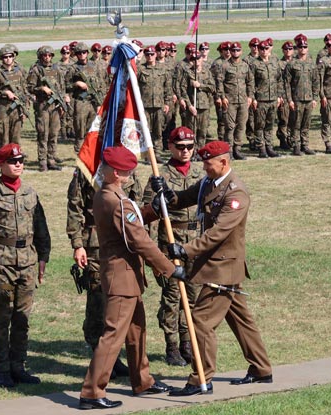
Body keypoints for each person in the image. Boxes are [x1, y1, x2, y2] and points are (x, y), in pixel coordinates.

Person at [150, 140, 274, 397]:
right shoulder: (209, 183)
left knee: (201, 322)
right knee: (240, 318)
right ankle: (261, 368)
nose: (204, 168)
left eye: (208, 163)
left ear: (224, 162)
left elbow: (219, 233)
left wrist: (185, 250)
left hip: (223, 267)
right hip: (214, 265)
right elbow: (183, 198)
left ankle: (200, 379)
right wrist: (166, 194)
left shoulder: (236, 193)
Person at [78, 146, 180, 410]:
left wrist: (155, 209)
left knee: (137, 332)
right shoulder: (115, 200)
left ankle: (142, 380)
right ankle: (92, 391)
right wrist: (169, 267)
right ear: (113, 172)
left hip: (126, 276)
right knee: (113, 337)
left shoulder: (109, 194)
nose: (128, 175)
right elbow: (139, 240)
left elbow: (131, 220)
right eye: (125, 172)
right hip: (121, 277)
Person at [0, 143, 50, 388]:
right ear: (0, 164)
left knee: (22, 318)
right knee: (2, 318)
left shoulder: (30, 193)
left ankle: (19, 366)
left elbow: (41, 228)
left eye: (21, 160)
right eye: (13, 161)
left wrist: (44, 256)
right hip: (2, 263)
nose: (18, 164)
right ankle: (2, 370)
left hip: (28, 262)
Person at [65, 165, 141, 378]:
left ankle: (113, 357)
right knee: (98, 299)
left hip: (122, 243)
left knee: (118, 302)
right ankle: (99, 354)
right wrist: (77, 244)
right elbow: (75, 206)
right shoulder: (86, 167)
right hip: (94, 245)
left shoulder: (127, 167)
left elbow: (137, 203)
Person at [140, 127, 203, 367]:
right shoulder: (160, 176)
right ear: (170, 146)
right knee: (173, 297)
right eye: (180, 146)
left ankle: (189, 341)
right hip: (170, 244)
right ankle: (172, 345)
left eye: (189, 146)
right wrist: (155, 256)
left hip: (196, 244)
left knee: (195, 296)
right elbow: (149, 217)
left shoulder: (200, 173)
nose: (185, 151)